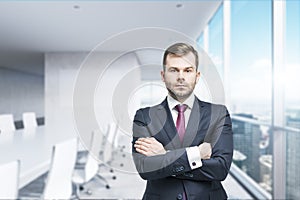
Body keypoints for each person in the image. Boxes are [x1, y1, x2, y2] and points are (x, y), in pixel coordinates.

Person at [132, 42, 233, 200]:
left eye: (188, 70)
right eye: (173, 70)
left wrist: (165, 155)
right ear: (163, 76)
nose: (181, 77)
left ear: (197, 76)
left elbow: (220, 169)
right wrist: (196, 154)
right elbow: (145, 168)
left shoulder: (218, 114)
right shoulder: (144, 117)